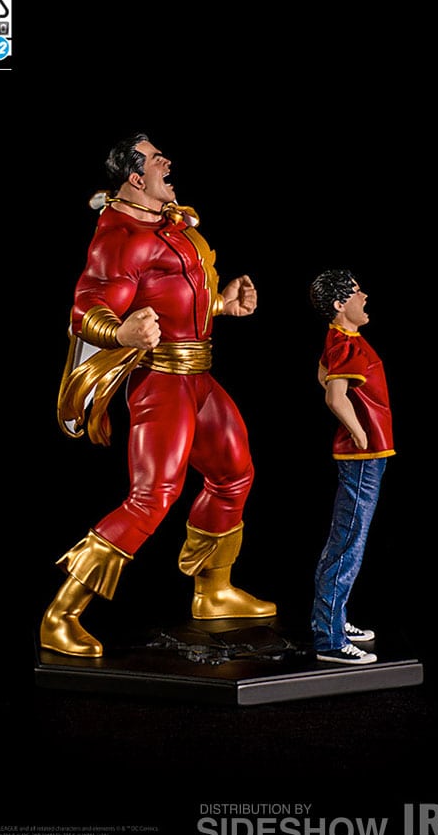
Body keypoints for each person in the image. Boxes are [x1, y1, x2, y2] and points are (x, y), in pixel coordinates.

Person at [40, 132, 276, 657]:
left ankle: (212, 592)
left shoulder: (169, 225)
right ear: (133, 176)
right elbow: (86, 309)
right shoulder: (120, 237)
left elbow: (176, 295)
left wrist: (222, 305)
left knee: (234, 473)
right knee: (152, 497)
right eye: (153, 158)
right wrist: (120, 332)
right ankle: (60, 615)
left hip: (199, 377)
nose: (166, 161)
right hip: (162, 383)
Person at [308, 269, 395, 665]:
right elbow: (334, 396)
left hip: (368, 454)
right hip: (362, 457)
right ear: (340, 304)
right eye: (357, 292)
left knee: (347, 540)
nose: (365, 297)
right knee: (348, 543)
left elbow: (322, 374)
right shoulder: (345, 343)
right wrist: (359, 433)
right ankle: (329, 637)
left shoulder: (343, 339)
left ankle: (333, 621)